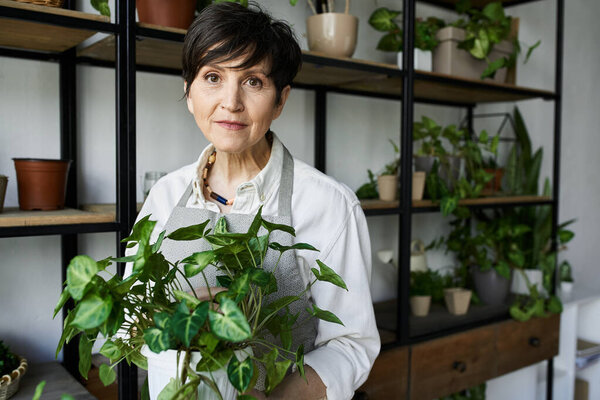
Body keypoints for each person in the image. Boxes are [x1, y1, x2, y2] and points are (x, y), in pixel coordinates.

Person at [129, 2, 380, 399]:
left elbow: (352, 344)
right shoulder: (163, 197)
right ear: (189, 93)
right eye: (212, 77)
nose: (231, 102)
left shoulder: (328, 204)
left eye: (253, 82)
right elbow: (134, 318)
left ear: (280, 100)